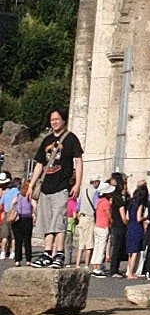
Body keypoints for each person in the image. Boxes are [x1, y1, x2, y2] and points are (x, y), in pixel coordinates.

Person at [29, 107, 83, 264]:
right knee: (46, 221)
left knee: (58, 221)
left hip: (61, 186)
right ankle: (47, 253)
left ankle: (59, 253)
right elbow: (39, 163)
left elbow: (78, 162)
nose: (54, 122)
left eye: (57, 119)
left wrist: (78, 183)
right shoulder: (46, 140)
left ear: (64, 120)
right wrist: (32, 184)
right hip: (46, 186)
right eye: (52, 120)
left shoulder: (71, 139)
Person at [125, 179, 149, 276]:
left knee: (130, 252)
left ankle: (129, 271)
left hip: (130, 225)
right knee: (135, 251)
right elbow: (139, 218)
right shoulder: (140, 204)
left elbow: (127, 217)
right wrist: (146, 217)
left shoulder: (131, 202)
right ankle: (131, 272)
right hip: (136, 226)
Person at [12, 180, 35, 265]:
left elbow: (12, 204)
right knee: (27, 240)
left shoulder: (18, 196)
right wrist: (33, 213)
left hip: (18, 219)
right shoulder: (30, 196)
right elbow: (35, 206)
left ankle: (17, 260)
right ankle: (28, 260)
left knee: (18, 240)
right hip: (27, 218)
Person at [77, 178, 99, 265]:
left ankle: (77, 264)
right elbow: (96, 205)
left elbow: (78, 206)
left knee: (81, 243)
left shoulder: (83, 191)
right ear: (96, 182)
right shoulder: (95, 192)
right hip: (89, 218)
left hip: (81, 217)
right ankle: (86, 264)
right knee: (89, 243)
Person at [1, 169, 21, 260]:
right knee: (13, 236)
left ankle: (3, 252)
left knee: (4, 235)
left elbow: (1, 203)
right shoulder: (17, 192)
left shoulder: (6, 193)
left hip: (6, 214)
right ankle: (13, 252)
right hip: (14, 214)